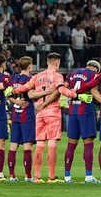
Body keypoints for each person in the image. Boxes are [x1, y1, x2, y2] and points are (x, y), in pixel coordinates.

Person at [13, 52, 65, 183]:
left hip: (39, 113)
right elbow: (57, 91)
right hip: (52, 111)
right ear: (57, 63)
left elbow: (25, 89)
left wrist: (13, 91)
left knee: (40, 144)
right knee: (52, 143)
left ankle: (37, 176)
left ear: (47, 62)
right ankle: (51, 177)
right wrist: (46, 103)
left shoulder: (37, 76)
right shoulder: (58, 76)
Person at [62, 60, 101, 183]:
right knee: (88, 143)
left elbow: (63, 89)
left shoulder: (72, 74)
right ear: (96, 70)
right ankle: (88, 176)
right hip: (85, 110)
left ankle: (67, 177)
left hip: (72, 110)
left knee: (71, 144)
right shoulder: (93, 75)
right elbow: (94, 92)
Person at [3, 57, 35, 182]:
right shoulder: (30, 80)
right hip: (27, 114)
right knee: (27, 145)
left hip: (15, 114)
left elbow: (8, 94)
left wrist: (16, 101)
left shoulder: (13, 78)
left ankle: (12, 175)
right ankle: (28, 176)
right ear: (29, 66)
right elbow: (32, 94)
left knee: (13, 146)